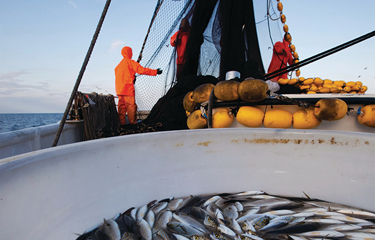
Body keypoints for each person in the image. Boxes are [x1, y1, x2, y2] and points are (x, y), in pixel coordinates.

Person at [115, 46, 162, 125]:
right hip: (128, 90)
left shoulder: (118, 66)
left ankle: (121, 126)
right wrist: (155, 72)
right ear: (129, 53)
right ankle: (133, 125)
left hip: (119, 91)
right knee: (131, 108)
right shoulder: (130, 62)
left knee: (121, 110)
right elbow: (142, 70)